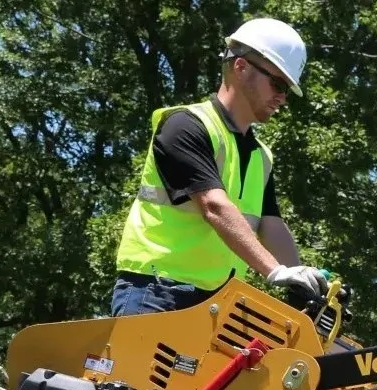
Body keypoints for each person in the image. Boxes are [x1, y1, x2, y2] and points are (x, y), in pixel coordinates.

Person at [109, 17, 327, 316]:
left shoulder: (260, 155)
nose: (282, 98)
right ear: (241, 67)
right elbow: (214, 206)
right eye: (277, 83)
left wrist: (302, 281)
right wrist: (275, 271)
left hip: (216, 303)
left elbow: (270, 224)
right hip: (157, 291)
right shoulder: (185, 126)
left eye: (287, 89)